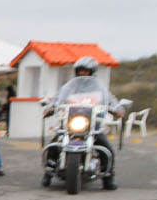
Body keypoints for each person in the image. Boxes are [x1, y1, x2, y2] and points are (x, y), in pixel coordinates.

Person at [48, 55, 124, 189]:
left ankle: (108, 177)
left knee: (106, 147)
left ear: (92, 72)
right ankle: (48, 172)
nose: (83, 73)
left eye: (86, 71)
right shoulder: (69, 86)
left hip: (92, 124)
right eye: (81, 71)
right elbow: (58, 98)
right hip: (70, 122)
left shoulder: (99, 87)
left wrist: (117, 109)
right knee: (54, 143)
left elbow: (110, 99)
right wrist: (50, 107)